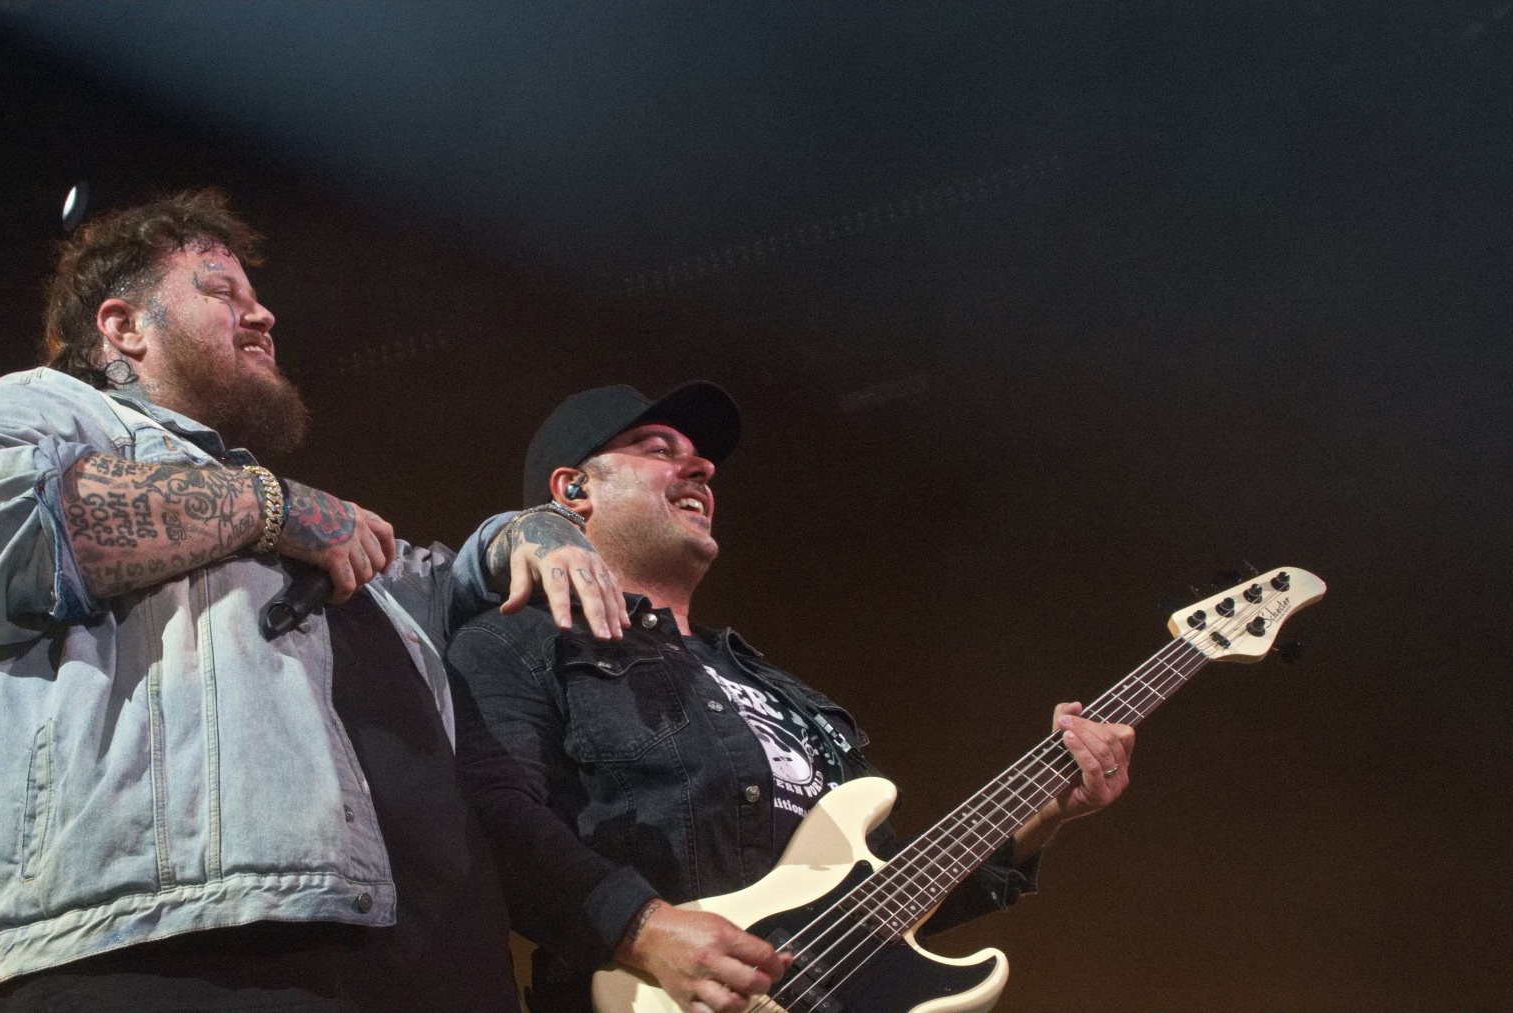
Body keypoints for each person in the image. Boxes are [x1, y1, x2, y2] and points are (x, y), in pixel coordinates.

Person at [0, 190, 626, 1013]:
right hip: (135, 959)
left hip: (399, 964)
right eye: (221, 291)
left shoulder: (296, 522)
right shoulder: (32, 413)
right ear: (123, 326)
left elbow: (436, 576)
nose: (262, 315)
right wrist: (271, 504)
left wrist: (527, 530)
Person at [446, 383, 1138, 1013]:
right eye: (659, 450)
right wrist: (644, 929)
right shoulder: (517, 641)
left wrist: (1046, 811)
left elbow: (884, 898)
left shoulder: (780, 691)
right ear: (573, 490)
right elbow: (490, 816)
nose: (702, 468)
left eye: (699, 458)